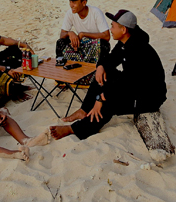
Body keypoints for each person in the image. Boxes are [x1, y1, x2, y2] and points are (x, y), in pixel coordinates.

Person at [49, 9, 167, 140]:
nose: (110, 29)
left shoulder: (137, 50)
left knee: (108, 102)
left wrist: (100, 99)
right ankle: (84, 110)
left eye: (113, 26)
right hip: (133, 85)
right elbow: (110, 59)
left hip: (149, 97)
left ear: (123, 30)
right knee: (104, 73)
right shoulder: (126, 41)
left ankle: (75, 129)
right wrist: (100, 66)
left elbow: (127, 83)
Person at [56, 0, 111, 64]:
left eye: (74, 2)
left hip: (94, 46)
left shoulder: (96, 12)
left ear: (84, 2)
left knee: (103, 45)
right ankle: (63, 68)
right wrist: (70, 33)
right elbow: (62, 35)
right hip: (80, 46)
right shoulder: (70, 13)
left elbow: (107, 36)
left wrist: (83, 34)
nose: (71, 5)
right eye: (70, 1)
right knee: (60, 42)